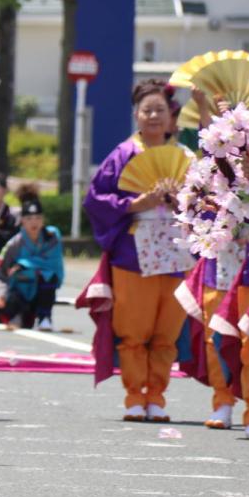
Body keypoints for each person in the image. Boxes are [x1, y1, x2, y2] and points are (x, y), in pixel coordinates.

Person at [82, 79, 194, 423]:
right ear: (136, 114)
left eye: (160, 109)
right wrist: (135, 203)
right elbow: (96, 200)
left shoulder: (186, 158)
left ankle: (156, 396)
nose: (154, 116)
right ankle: (134, 394)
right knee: (133, 331)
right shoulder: (123, 155)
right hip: (133, 254)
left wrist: (184, 202)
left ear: (171, 115)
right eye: (147, 110)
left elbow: (208, 204)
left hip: (177, 253)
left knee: (166, 332)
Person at [0, 190, 63, 331]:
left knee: (48, 276)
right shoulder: (15, 244)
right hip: (18, 288)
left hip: (42, 288)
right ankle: (18, 314)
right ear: (22, 221)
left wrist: (24, 265)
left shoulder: (52, 237)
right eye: (29, 218)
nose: (34, 222)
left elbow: (54, 263)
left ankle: (45, 317)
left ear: (43, 220)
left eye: (38, 218)